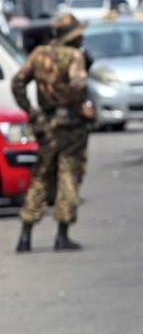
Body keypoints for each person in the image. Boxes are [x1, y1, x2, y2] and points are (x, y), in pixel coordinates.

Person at [14, 14, 93, 252]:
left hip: (45, 124)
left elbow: (18, 83)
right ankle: (62, 233)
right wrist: (77, 105)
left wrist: (31, 111)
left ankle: (26, 233)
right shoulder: (74, 56)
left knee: (41, 175)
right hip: (70, 125)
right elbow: (78, 84)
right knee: (68, 175)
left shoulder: (39, 55)